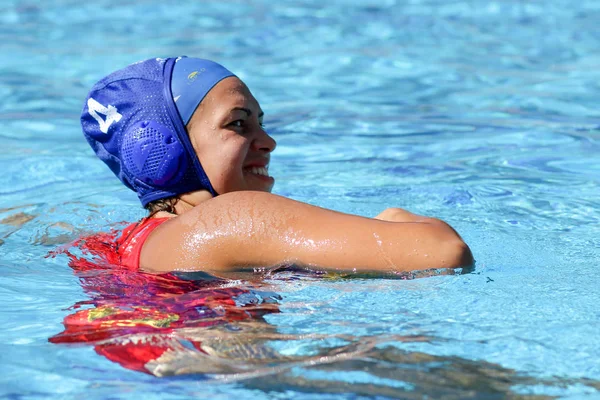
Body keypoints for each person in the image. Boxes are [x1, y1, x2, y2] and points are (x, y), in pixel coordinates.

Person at [81, 56, 473, 277]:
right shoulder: (231, 217)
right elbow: (445, 252)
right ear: (161, 150)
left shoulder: (129, 244)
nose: (268, 142)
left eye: (261, 122)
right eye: (238, 123)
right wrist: (400, 220)